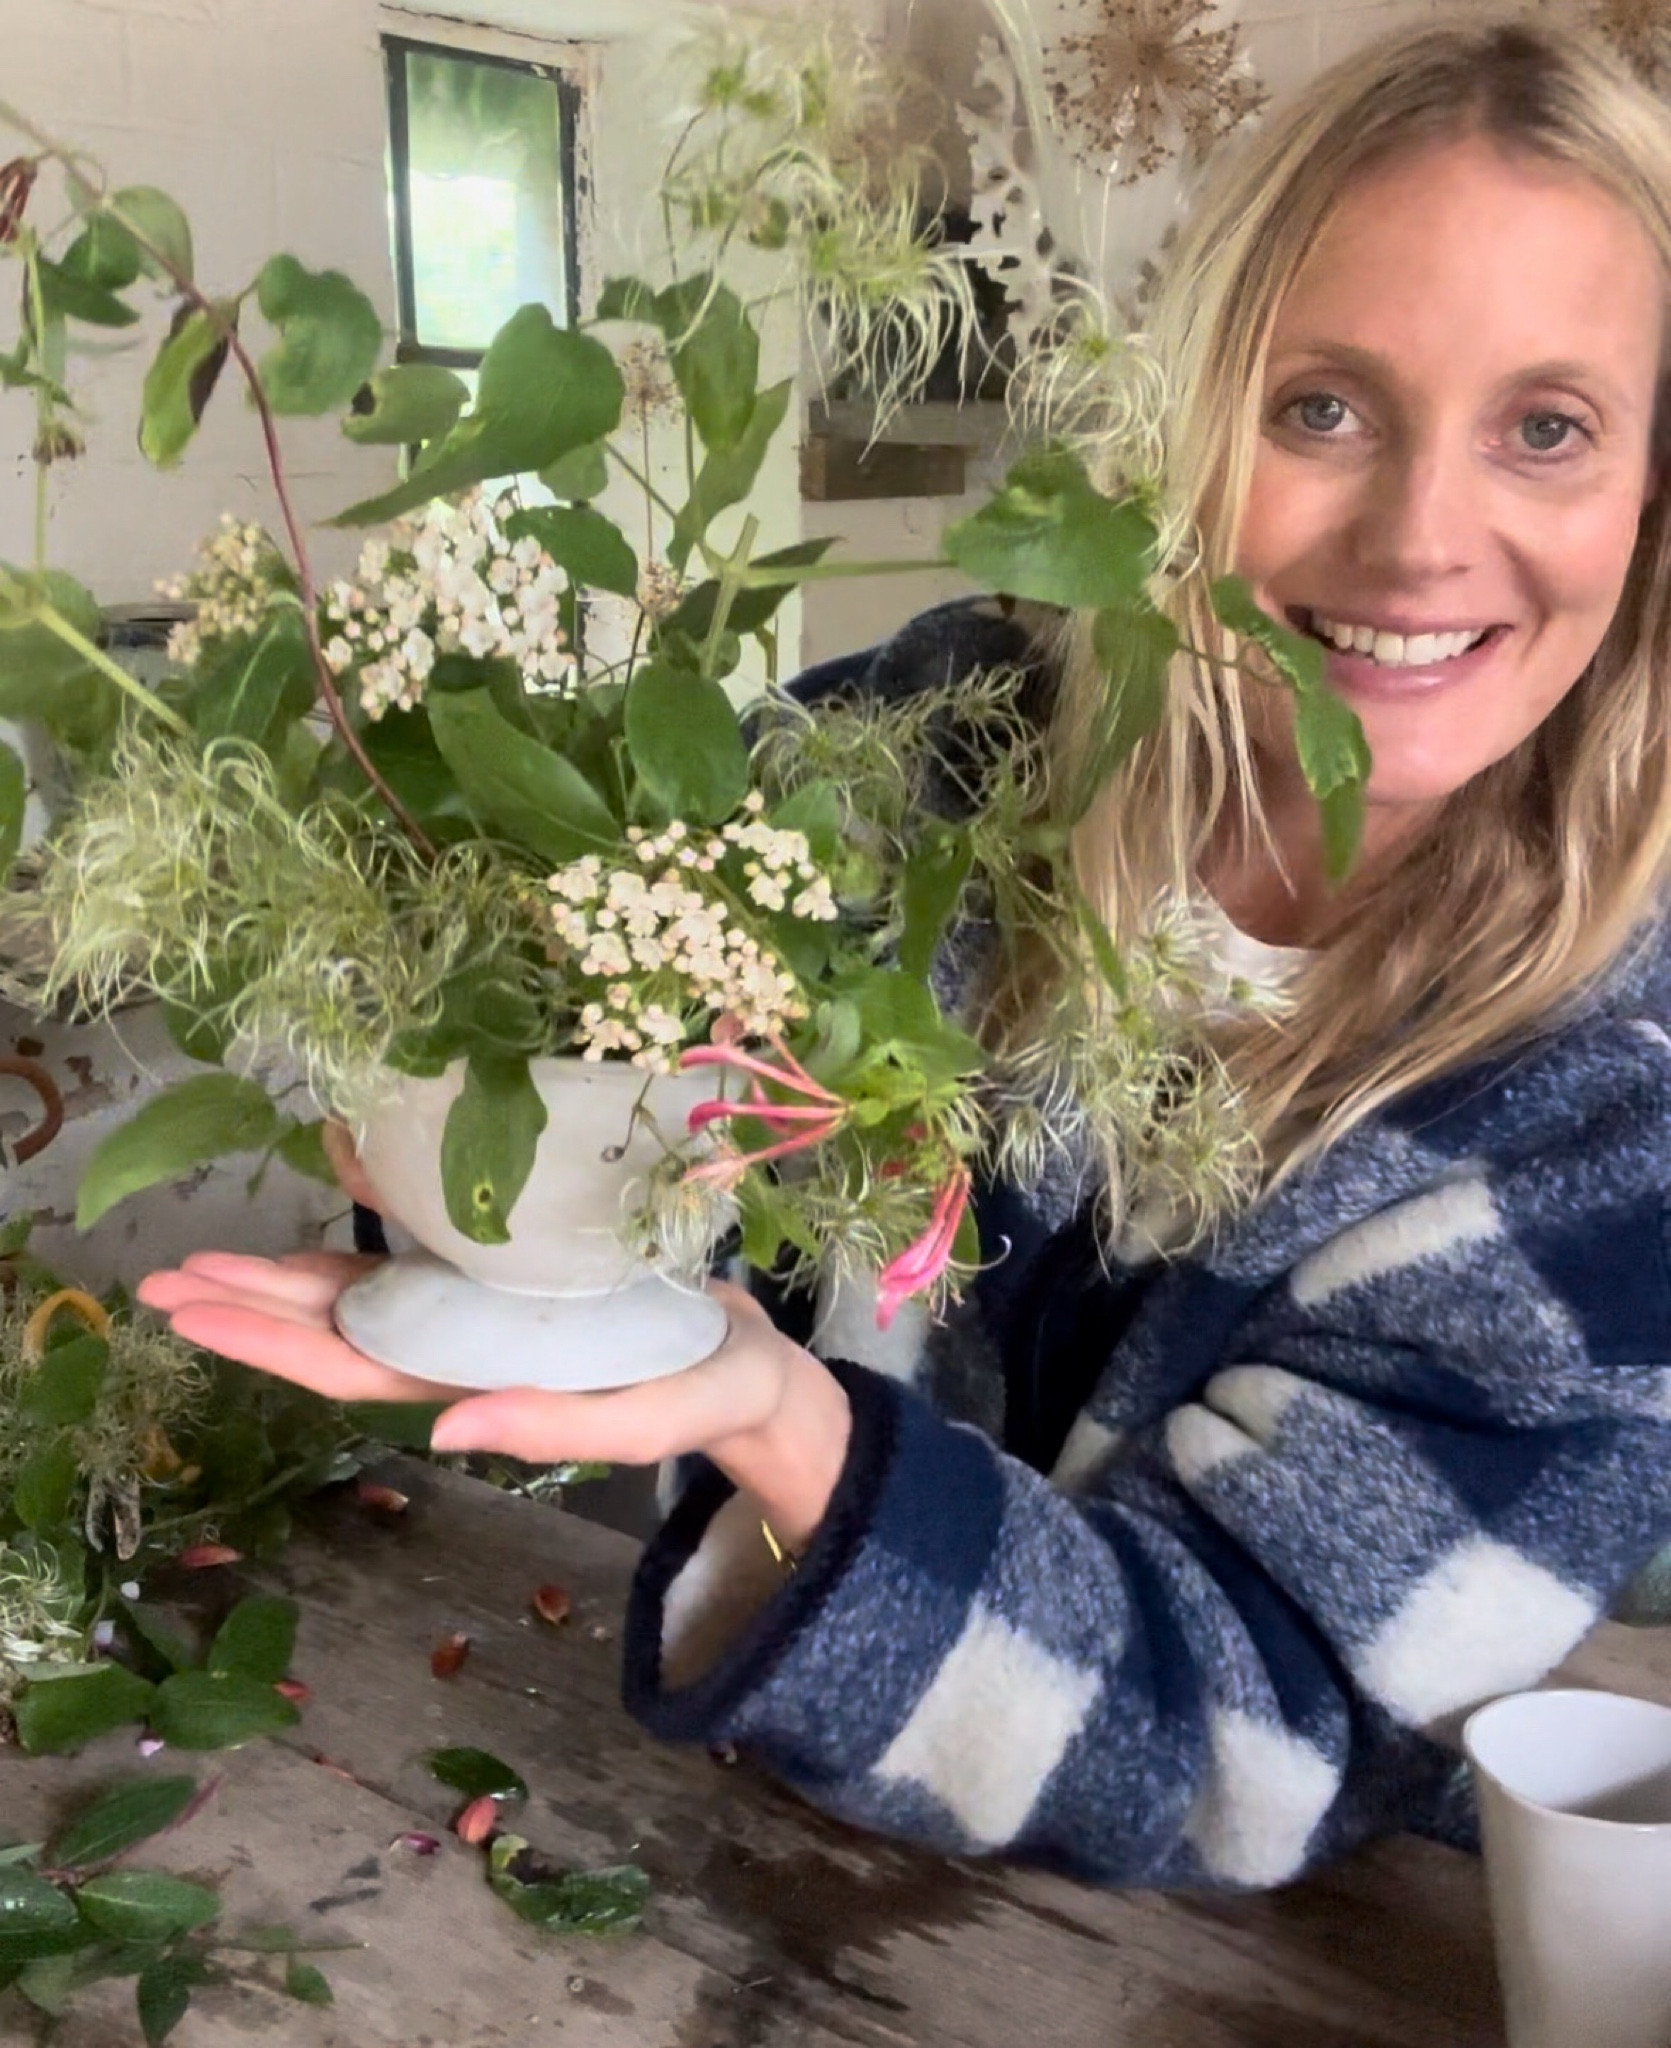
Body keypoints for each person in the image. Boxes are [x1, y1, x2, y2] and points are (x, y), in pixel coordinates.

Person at [139, 15, 1671, 1892]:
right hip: (715, 1834)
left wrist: (789, 1427)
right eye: (1323, 408)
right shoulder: (925, 742)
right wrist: (463, 1183)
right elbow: (600, 1095)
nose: (1424, 536)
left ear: (1652, 491)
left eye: (1548, 428)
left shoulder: (1617, 1124)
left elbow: (1239, 1745)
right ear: (1188, 421)